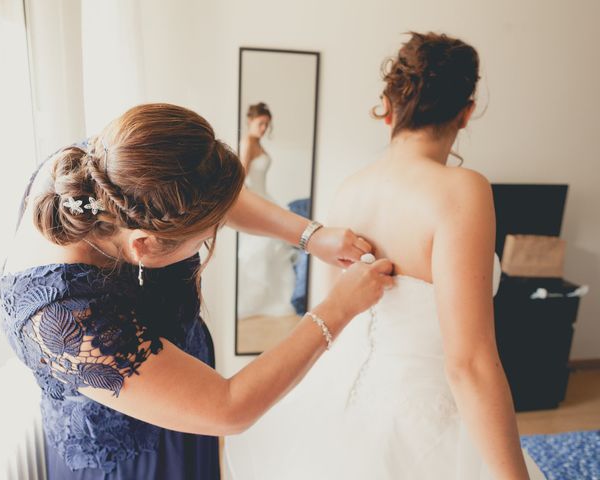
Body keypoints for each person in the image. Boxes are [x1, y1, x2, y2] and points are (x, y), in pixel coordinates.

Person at [0, 103, 393, 479]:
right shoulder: (65, 321)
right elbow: (229, 408)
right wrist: (339, 307)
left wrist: (310, 236)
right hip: (135, 462)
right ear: (144, 246)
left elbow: (209, 198)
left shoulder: (110, 170)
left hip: (185, 395)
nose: (215, 233)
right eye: (208, 235)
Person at [225, 33, 543, 479]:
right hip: (421, 422)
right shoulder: (462, 190)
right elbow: (469, 362)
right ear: (466, 112)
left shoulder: (348, 189)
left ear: (387, 107)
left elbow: (325, 315)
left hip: (334, 408)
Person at [237, 102, 298, 318]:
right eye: (261, 123)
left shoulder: (257, 143)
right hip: (256, 199)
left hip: (265, 197)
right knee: (261, 246)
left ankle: (271, 299)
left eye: (267, 125)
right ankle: (255, 300)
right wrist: (252, 204)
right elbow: (240, 179)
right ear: (250, 121)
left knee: (274, 246)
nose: (264, 128)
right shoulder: (247, 143)